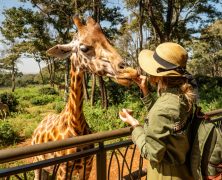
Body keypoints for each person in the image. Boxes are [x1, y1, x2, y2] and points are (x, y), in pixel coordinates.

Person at [119, 42, 197, 180]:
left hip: (165, 175)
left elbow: (151, 152)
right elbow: (165, 120)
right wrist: (145, 90)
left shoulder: (163, 108)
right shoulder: (184, 97)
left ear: (158, 76)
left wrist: (135, 126)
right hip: (185, 171)